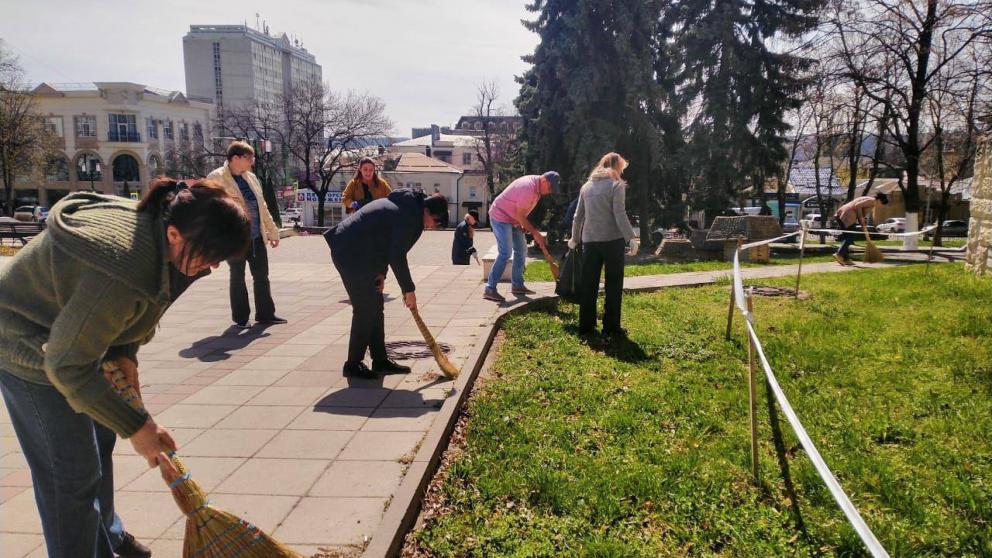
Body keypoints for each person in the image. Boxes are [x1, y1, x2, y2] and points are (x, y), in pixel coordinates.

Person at [0, 178, 250, 558]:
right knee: (71, 475)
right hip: (24, 342)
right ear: (174, 233)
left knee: (99, 444)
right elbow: (67, 366)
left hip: (71, 336)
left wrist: (124, 352)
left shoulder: (162, 234)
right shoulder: (122, 264)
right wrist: (138, 428)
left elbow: (133, 307)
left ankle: (106, 538)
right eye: (210, 255)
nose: (213, 266)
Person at [324, 189, 450, 377]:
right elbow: (397, 255)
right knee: (365, 308)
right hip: (350, 251)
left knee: (375, 306)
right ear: (427, 211)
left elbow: (386, 243)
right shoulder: (410, 216)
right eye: (436, 221)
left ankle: (380, 360)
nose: (433, 226)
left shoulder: (409, 209)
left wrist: (381, 274)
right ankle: (352, 365)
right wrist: (408, 290)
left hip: (362, 252)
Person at [207, 141, 285, 328]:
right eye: (249, 157)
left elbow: (262, 206)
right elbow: (211, 211)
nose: (252, 161)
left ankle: (266, 315)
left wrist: (273, 232)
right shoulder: (216, 178)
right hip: (234, 239)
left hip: (256, 237)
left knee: (262, 276)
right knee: (237, 276)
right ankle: (241, 318)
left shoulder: (251, 177)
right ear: (235, 158)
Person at [569, 153, 638, 339]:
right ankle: (611, 327)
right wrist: (631, 238)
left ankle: (586, 327)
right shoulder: (616, 185)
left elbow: (578, 217)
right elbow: (619, 214)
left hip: (590, 241)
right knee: (613, 284)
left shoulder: (586, 187)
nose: (621, 172)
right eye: (621, 168)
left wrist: (574, 239)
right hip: (612, 240)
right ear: (616, 167)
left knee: (589, 284)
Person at [483, 171, 561, 302]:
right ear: (544, 181)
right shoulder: (528, 188)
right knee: (505, 252)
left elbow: (521, 212)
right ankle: (489, 289)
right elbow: (520, 215)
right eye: (550, 188)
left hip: (513, 219)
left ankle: (517, 285)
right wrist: (535, 233)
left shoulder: (537, 189)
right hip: (500, 216)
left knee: (521, 250)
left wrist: (522, 224)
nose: (550, 192)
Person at [833, 191, 889, 265]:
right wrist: (861, 218)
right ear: (879, 200)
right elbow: (858, 206)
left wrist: (862, 222)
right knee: (850, 237)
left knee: (847, 237)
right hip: (848, 215)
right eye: (881, 203)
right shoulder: (872, 201)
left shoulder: (869, 200)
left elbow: (862, 211)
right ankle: (839, 254)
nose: (880, 206)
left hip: (842, 213)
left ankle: (845, 259)